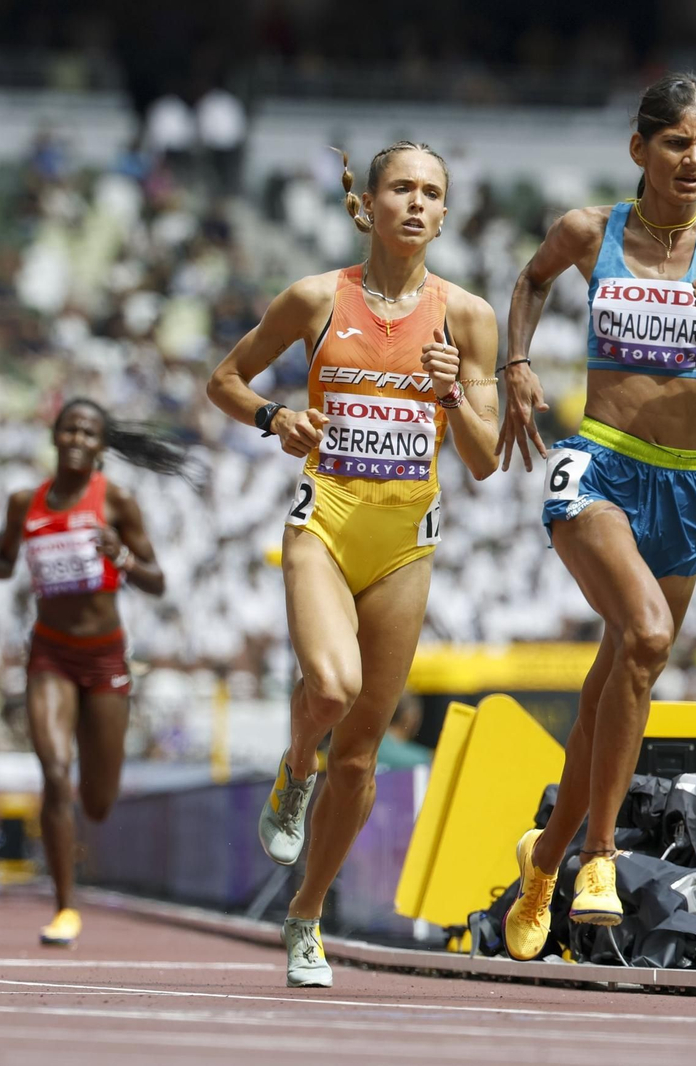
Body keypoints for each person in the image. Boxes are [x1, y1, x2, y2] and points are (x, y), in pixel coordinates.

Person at [498, 72, 696, 961]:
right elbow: (531, 279)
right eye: (678, 143)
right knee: (640, 635)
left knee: (616, 681)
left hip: (687, 480)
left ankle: (542, 861)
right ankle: (597, 857)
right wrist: (516, 365)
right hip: (599, 463)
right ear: (641, 149)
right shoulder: (588, 230)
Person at [207, 141, 499, 987]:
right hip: (325, 525)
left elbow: (482, 460)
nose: (416, 202)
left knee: (364, 755)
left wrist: (450, 394)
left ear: (446, 215)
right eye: (401, 188)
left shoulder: (468, 319)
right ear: (366, 205)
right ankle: (295, 769)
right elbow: (223, 379)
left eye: (432, 192)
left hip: (406, 543)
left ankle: (307, 916)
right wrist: (274, 419)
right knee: (329, 691)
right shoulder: (313, 299)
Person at [0, 398, 186, 947]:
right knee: (55, 772)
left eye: (89, 433)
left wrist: (125, 560)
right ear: (55, 437)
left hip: (106, 658)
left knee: (97, 800)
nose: (77, 440)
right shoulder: (26, 502)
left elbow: (159, 582)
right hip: (50, 655)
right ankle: (65, 908)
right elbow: (5, 565)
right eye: (69, 430)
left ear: (102, 446)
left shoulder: (117, 501)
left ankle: (75, 856)